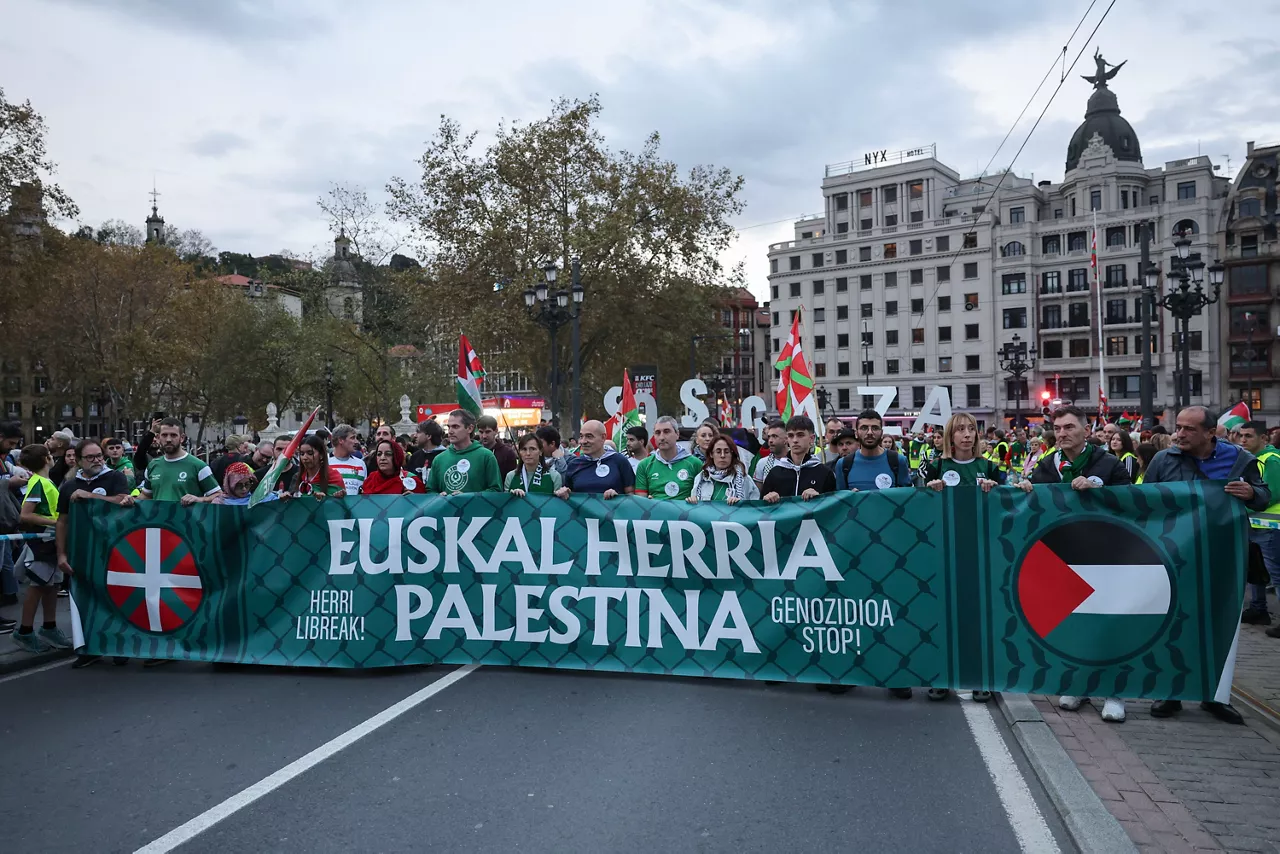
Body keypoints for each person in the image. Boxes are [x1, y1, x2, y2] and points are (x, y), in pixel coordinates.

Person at [1140, 406, 1269, 724]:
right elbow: (1143, 499)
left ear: (1211, 433)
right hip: (1175, 557)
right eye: (1178, 427)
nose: (1178, 434)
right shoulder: (1163, 460)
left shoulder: (1240, 460)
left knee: (1220, 625)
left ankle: (1216, 695)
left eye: (1188, 429)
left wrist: (1252, 492)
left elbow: (1264, 496)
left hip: (1222, 556)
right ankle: (1169, 693)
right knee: (1173, 624)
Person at [1016, 405, 1132, 722]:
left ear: (1085, 429)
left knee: (1109, 624)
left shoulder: (1108, 464)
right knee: (1076, 624)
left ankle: (1115, 693)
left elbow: (1132, 502)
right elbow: (1032, 498)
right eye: (1058, 428)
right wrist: (1025, 489)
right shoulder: (1047, 464)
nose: (1063, 433)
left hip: (1105, 555)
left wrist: (1100, 491)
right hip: (1065, 555)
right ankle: (1080, 684)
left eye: (1069, 427)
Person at [52, 440, 134, 667]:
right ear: (78, 460)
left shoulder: (115, 477)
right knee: (85, 600)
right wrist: (61, 555)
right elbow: (62, 521)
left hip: (114, 551)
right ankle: (90, 648)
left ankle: (119, 645)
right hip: (83, 553)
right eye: (91, 457)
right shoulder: (69, 486)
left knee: (118, 598)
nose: (98, 460)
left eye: (100, 455)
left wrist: (91, 497)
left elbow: (122, 502)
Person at [10, 444, 70, 653]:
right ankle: (25, 631)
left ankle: (49, 627)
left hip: (52, 543)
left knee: (51, 586)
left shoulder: (44, 482)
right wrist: (57, 523)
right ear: (46, 459)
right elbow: (25, 515)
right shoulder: (38, 483)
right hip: (42, 545)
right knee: (37, 587)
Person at [1237, 421, 1280, 627]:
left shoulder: (1271, 459)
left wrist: (1242, 508)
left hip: (1271, 527)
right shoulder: (1251, 459)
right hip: (1255, 524)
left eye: (1248, 436)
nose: (1243, 440)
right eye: (1241, 436)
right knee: (1256, 570)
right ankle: (1258, 609)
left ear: (1264, 438)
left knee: (1275, 574)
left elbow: (1271, 494)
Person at [138, 418, 221, 505]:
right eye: (164, 435)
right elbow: (146, 495)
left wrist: (200, 499)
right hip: (159, 518)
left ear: (182, 438)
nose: (168, 439)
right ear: (158, 438)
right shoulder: (152, 466)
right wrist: (132, 500)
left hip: (188, 519)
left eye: (173, 435)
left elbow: (218, 496)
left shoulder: (198, 466)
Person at [424, 409, 502, 494]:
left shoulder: (486, 456)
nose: (450, 431)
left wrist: (466, 498)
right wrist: (439, 497)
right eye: (448, 427)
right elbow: (430, 491)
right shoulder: (439, 459)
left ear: (470, 428)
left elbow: (496, 491)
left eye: (455, 427)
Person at [834, 409, 913, 492]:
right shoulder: (843, 464)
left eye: (875, 428)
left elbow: (908, 497)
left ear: (882, 433)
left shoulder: (898, 461)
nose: (869, 432)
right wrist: (850, 498)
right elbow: (840, 500)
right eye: (864, 428)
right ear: (856, 433)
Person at [762, 416, 837, 501]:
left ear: (811, 438)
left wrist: (819, 498)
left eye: (800, 435)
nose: (795, 440)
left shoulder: (825, 473)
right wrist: (767, 498)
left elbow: (833, 507)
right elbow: (761, 508)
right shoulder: (775, 472)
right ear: (787, 439)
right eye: (791, 436)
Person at [559, 420, 634, 499]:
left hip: (612, 510)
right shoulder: (574, 464)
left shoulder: (619, 461)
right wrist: (563, 492)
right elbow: (568, 494)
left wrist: (617, 496)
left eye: (589, 436)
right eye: (581, 436)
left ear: (603, 437)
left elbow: (631, 496)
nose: (583, 441)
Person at [635, 416, 703, 501]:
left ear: (677, 434)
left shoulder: (695, 463)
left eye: (666, 432)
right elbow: (640, 502)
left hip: (685, 514)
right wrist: (647, 502)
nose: (662, 437)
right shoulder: (644, 465)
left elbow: (703, 499)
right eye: (657, 433)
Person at [688, 435, 760, 504]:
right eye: (718, 452)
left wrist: (741, 504)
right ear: (711, 454)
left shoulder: (745, 479)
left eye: (726, 452)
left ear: (732, 454)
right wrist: (692, 501)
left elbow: (754, 508)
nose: (722, 455)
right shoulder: (701, 478)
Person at [361, 439, 426, 495]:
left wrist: (413, 499)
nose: (382, 458)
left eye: (388, 454)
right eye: (379, 454)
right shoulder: (370, 479)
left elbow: (422, 505)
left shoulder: (411, 480)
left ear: (397, 456)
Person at [476, 415, 519, 481]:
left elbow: (512, 479)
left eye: (488, 432)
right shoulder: (474, 451)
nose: (484, 436)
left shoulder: (508, 453)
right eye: (481, 432)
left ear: (496, 431)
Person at [328, 424, 367, 496]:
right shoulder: (325, 463)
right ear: (341, 440)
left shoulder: (360, 464)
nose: (356, 442)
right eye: (352, 438)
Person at [752, 419, 788, 487]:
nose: (770, 440)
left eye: (774, 436)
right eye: (769, 437)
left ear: (786, 439)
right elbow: (758, 494)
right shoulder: (762, 463)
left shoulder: (795, 461)